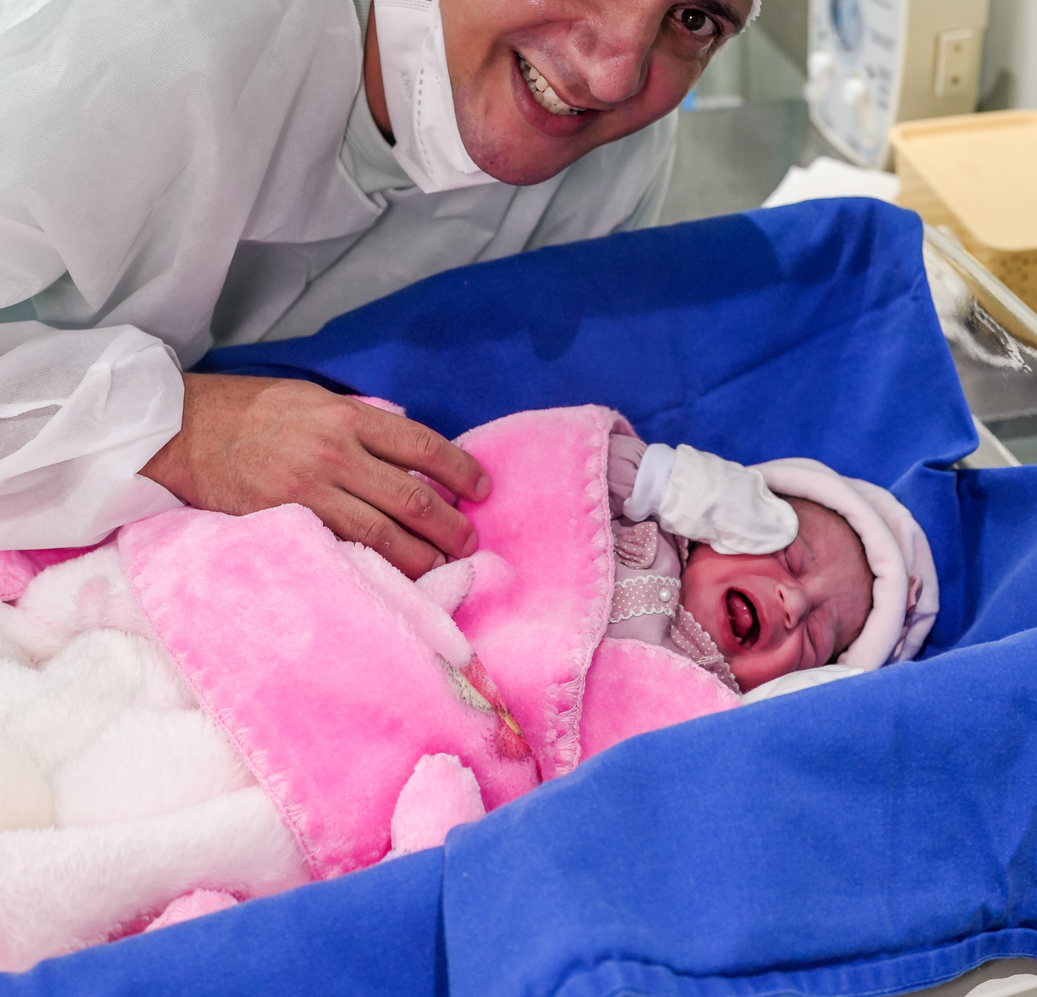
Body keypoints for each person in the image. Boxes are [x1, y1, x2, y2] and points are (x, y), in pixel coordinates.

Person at [0, 0, 812, 573]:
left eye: (694, 20)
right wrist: (184, 432)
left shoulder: (614, 148)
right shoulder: (141, 33)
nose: (614, 73)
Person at [0, 405, 937, 968]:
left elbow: (642, 805)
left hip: (415, 733)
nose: (792, 600)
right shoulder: (625, 526)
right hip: (345, 619)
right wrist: (654, 480)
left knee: (201, 809)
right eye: (792, 555)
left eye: (821, 637)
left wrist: (766, 722)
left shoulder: (700, 706)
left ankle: (71, 862)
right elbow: (487, 484)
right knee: (133, 673)